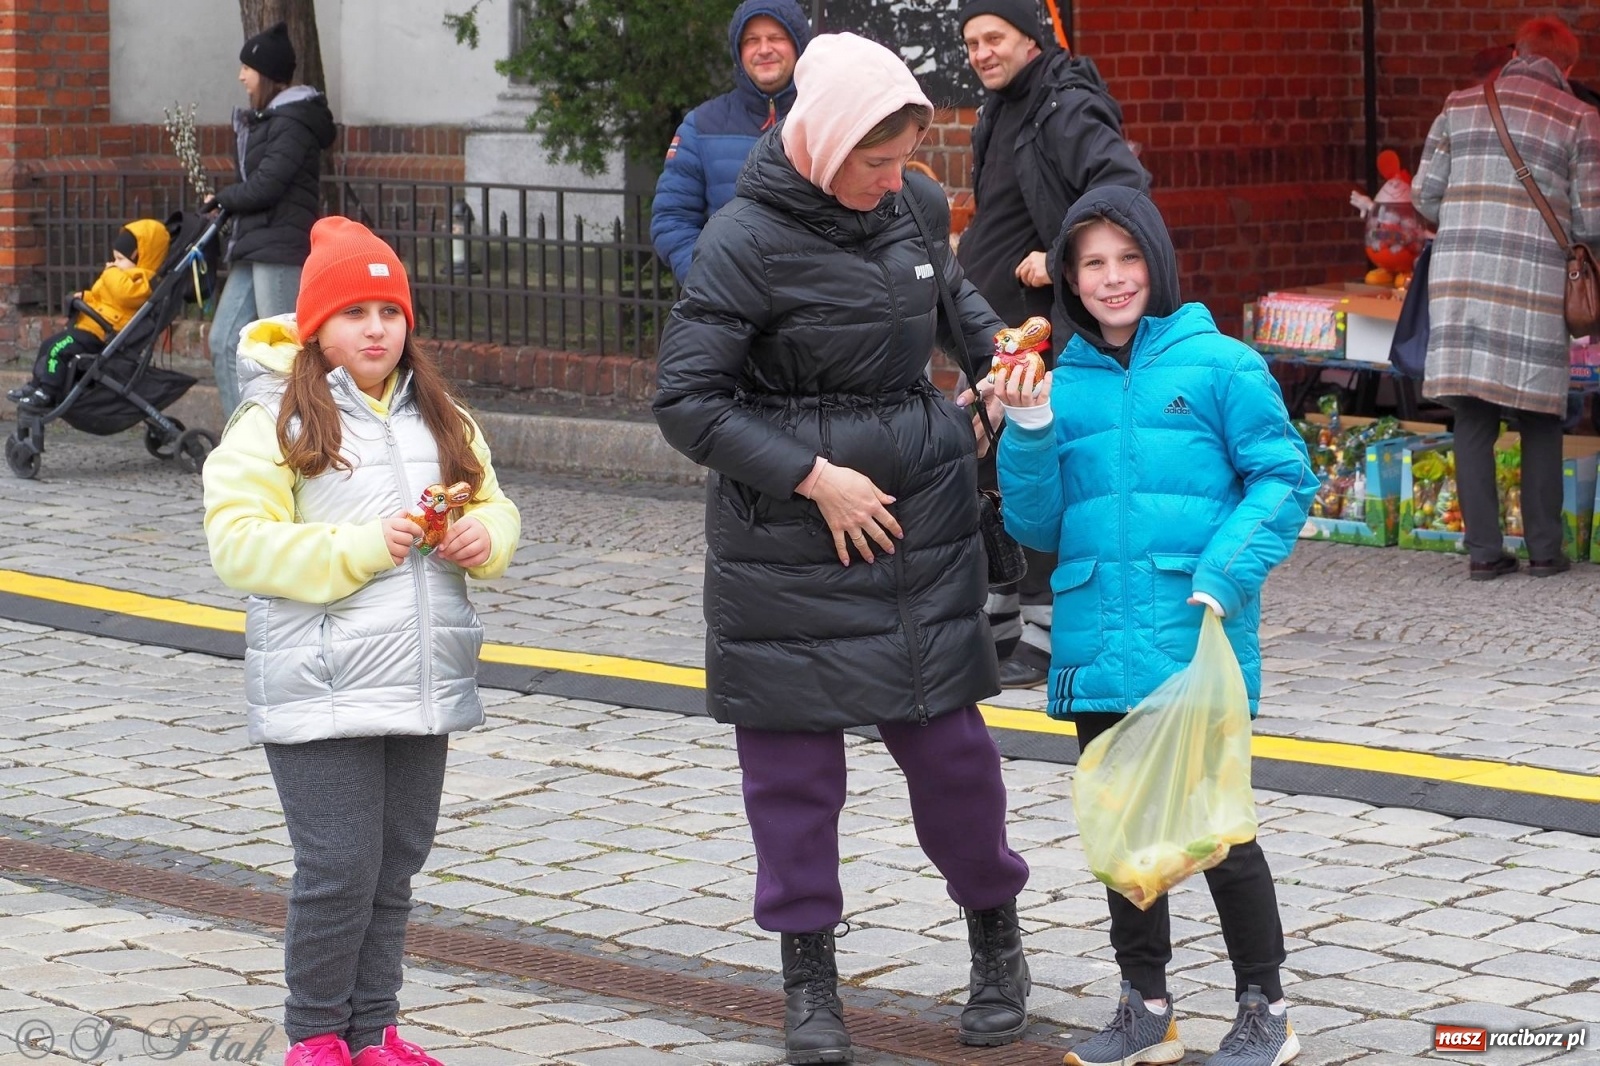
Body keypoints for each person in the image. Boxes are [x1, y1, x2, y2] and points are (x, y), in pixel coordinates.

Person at [652, 32, 1031, 1065]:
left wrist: (1004, 366)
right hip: (788, 543)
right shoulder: (742, 239)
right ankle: (808, 976)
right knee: (791, 775)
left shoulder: (909, 208)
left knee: (952, 759)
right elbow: (684, 400)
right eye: (874, 158)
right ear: (821, 143)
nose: (892, 177)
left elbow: (964, 314)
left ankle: (995, 936)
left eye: (905, 155)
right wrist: (812, 476)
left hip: (916, 521)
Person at [992, 184, 1313, 1066]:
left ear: (1157, 263)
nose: (1112, 278)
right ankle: (1147, 1008)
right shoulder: (1061, 383)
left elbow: (1285, 480)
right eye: (1092, 263)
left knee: (1218, 834)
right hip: (1098, 642)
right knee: (1126, 835)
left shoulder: (1221, 366)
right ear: (1067, 277)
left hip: (1193, 636)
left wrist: (1223, 574)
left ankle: (1266, 1009)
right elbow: (1037, 527)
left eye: (1128, 258)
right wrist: (1025, 428)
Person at [202, 217, 521, 1066]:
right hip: (323, 685)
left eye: (390, 309)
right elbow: (238, 543)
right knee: (339, 868)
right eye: (355, 312)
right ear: (315, 325)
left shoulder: (439, 413)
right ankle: (316, 1036)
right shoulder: (275, 419)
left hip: (422, 682)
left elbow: (493, 502)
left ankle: (373, 1030)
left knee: (394, 867)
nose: (377, 327)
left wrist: (485, 538)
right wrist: (358, 547)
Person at [955, 0, 1148, 689]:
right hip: (995, 331)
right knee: (990, 475)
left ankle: (1043, 629)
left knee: (1033, 470)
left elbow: (1122, 186)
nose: (981, 52)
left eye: (994, 37)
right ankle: (999, 619)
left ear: (1030, 39)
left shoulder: (1064, 104)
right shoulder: (1000, 108)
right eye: (971, 41)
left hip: (1042, 333)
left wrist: (1060, 251)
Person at [1412, 16, 1600, 581]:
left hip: (1461, 281)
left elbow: (1424, 195)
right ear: (1567, 66)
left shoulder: (1459, 104)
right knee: (1540, 416)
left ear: (1515, 52)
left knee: (1472, 415)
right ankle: (1545, 551)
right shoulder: (1580, 117)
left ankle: (1484, 554)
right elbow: (1591, 218)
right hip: (1534, 283)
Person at [203, 21, 337, 417]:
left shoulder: (293, 121)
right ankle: (240, 442)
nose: (241, 75)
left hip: (278, 249)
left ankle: (302, 436)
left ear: (267, 74)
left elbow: (267, 185)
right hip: (258, 243)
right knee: (224, 342)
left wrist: (223, 198)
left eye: (248, 67)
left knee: (286, 355)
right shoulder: (273, 119)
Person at [649, 0, 812, 280]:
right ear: (739, 52)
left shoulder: (827, 119)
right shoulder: (700, 126)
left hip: (816, 307)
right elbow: (671, 219)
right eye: (751, 40)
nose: (764, 49)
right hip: (731, 310)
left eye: (776, 38)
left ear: (798, 46)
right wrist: (710, 283)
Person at [8, 219, 169, 409]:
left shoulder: (143, 280)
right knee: (48, 345)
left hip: (102, 334)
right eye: (114, 258)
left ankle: (48, 392)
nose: (114, 263)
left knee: (58, 350)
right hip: (91, 326)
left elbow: (124, 295)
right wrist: (86, 297)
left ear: (140, 258)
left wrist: (111, 273)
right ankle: (36, 385)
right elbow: (104, 298)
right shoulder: (120, 275)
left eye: (120, 259)